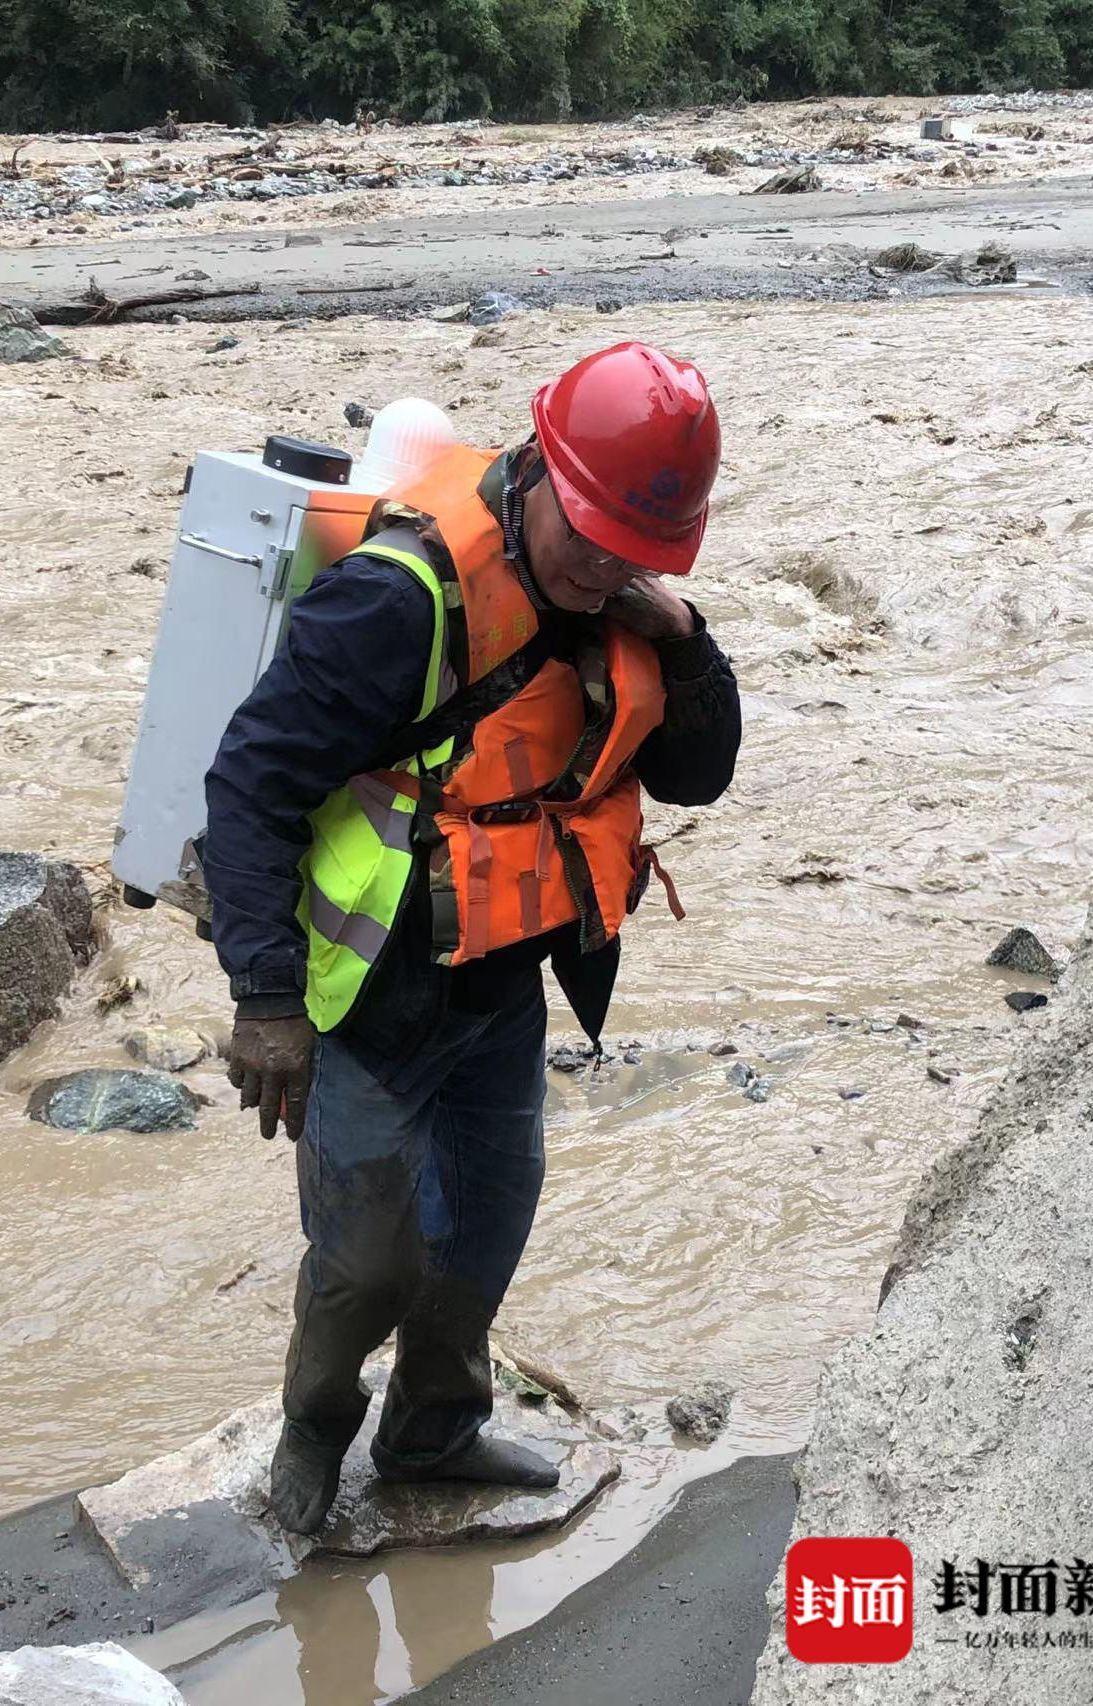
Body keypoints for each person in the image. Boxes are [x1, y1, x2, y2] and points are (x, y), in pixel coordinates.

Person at [203, 341, 742, 1535]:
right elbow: (246, 784)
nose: (603, 568)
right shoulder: (395, 603)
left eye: (636, 551)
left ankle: (432, 1434)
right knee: (364, 1265)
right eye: (591, 538)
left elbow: (697, 772)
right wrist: (265, 996)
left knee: (484, 1228)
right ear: (538, 466)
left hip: (500, 991)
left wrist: (683, 629)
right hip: (368, 1001)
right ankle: (312, 1433)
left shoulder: (622, 602)